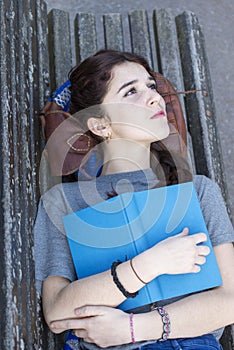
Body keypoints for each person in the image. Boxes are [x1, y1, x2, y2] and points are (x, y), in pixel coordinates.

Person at [34, 50, 234, 350]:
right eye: (132, 91)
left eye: (151, 86)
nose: (154, 98)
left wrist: (132, 327)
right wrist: (149, 264)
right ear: (100, 125)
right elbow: (58, 312)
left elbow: (228, 301)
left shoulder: (198, 190)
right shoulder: (65, 200)